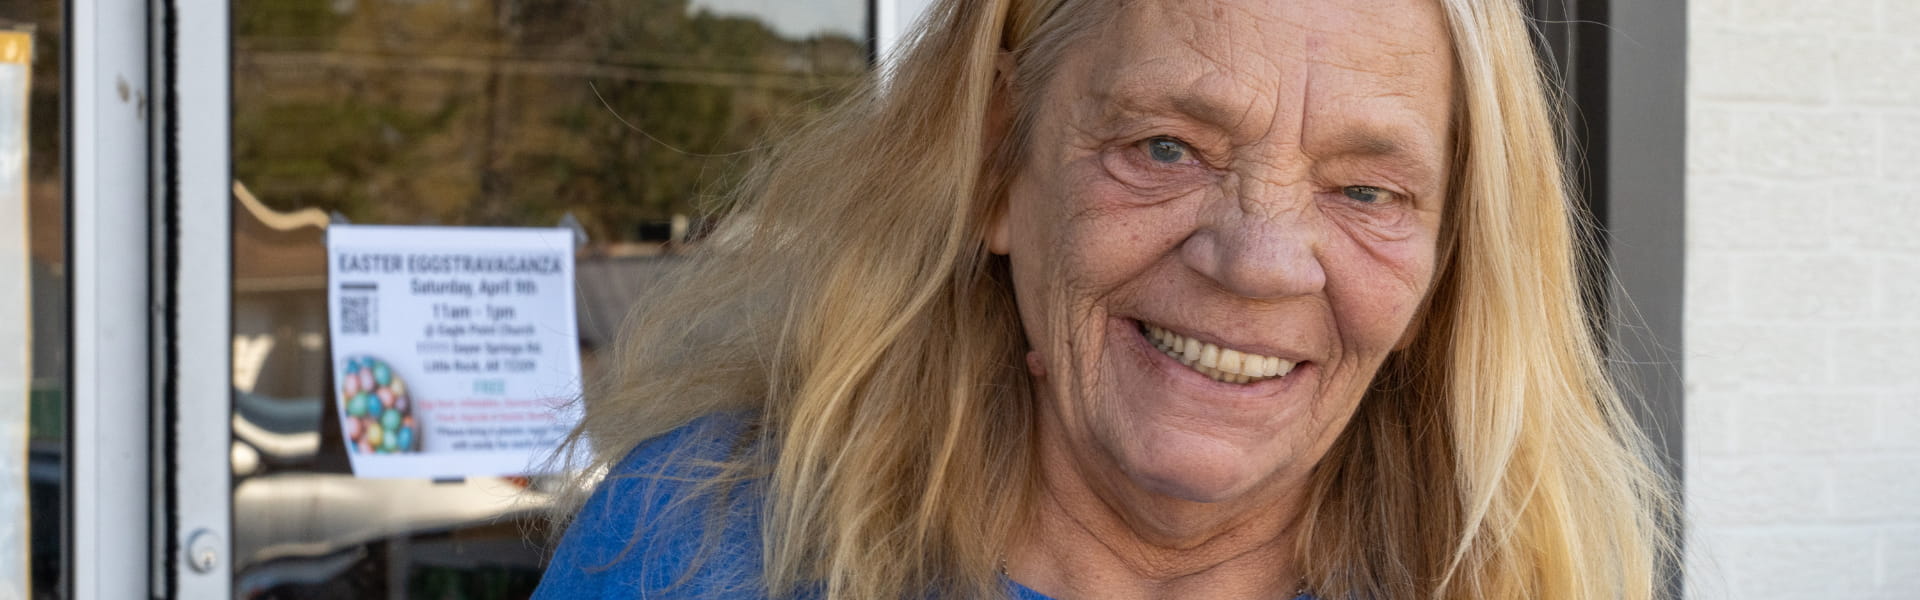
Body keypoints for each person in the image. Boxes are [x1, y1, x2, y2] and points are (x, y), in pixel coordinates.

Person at [536, 0, 1675, 598]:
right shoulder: (696, 546)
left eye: (1368, 188)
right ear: (995, 167)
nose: (1261, 260)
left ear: (1448, 264)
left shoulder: (1517, 584)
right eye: (1167, 146)